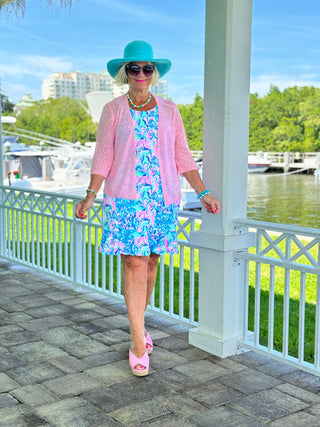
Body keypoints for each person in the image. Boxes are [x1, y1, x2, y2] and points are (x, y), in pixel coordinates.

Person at [75, 40, 220, 377]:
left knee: (152, 260)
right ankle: (138, 341)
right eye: (134, 68)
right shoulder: (112, 110)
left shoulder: (170, 110)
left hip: (161, 199)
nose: (141, 74)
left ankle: (138, 325)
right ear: (125, 74)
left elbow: (181, 155)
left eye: (147, 68)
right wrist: (90, 194)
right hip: (126, 199)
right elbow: (104, 157)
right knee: (133, 261)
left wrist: (204, 191)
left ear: (155, 74)